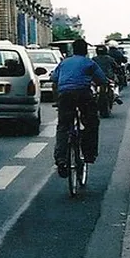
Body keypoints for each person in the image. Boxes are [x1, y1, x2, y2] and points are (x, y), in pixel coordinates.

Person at [51, 39, 108, 176]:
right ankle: (89, 154)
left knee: (63, 126)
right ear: (85, 51)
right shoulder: (89, 63)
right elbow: (101, 80)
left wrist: (57, 98)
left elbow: (54, 78)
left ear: (73, 50)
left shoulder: (64, 62)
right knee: (91, 122)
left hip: (64, 95)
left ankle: (61, 159)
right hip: (83, 93)